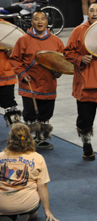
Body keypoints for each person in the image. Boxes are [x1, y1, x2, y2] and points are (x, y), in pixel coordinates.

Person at [64, 3, 97, 164]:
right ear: (88, 12)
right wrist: (80, 58)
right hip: (85, 86)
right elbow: (67, 53)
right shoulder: (78, 30)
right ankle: (87, 145)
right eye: (92, 10)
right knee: (84, 120)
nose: (94, 13)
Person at [9, 10, 64, 150]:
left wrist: (59, 72)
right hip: (30, 84)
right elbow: (15, 59)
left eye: (43, 19)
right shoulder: (23, 40)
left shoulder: (56, 41)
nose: (40, 22)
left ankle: (41, 139)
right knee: (30, 114)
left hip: (49, 84)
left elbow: (62, 62)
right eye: (36, 19)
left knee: (46, 113)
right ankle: (29, 140)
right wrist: (21, 74)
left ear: (47, 21)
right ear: (31, 22)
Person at [0, 123, 59, 221]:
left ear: (10, 139)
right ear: (29, 138)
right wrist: (47, 211)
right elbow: (42, 187)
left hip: (2, 205)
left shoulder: (0, 156)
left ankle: (5, 215)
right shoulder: (37, 158)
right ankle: (27, 214)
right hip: (26, 205)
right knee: (34, 208)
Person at [0, 18, 22, 127]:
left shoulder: (8, 28)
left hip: (6, 77)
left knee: (10, 107)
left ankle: (19, 136)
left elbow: (18, 49)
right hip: (5, 75)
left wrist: (12, 53)